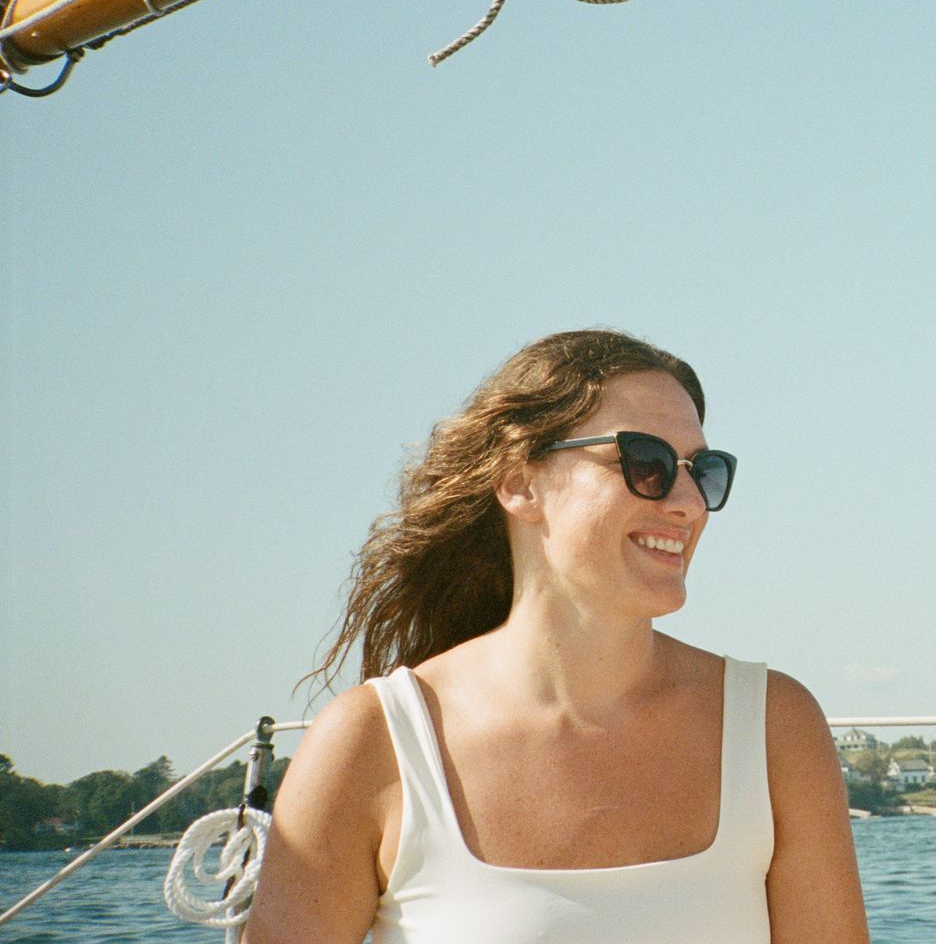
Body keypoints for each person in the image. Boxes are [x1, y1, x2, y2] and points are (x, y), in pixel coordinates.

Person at [243, 329, 866, 944]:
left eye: (702, 471)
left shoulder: (774, 728)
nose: (687, 503)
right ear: (520, 482)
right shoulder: (374, 742)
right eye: (645, 462)